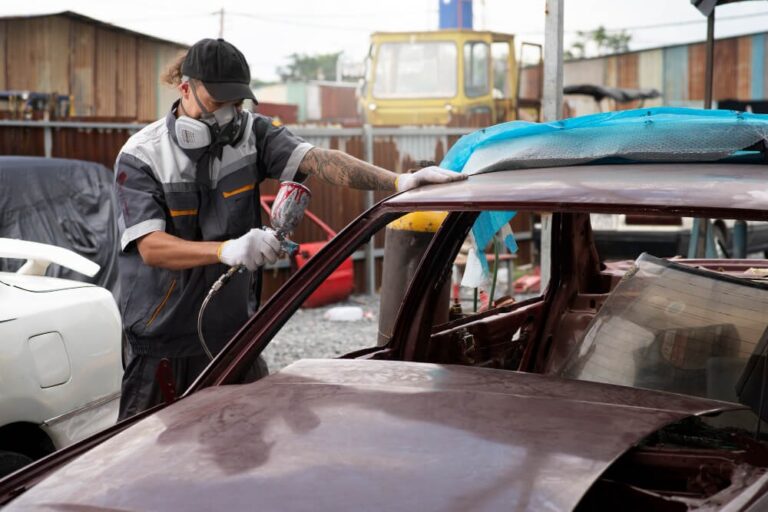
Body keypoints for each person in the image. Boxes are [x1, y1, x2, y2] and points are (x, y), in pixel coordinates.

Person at [114, 38, 465, 419]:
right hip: (161, 346)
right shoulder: (142, 155)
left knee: (245, 448)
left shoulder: (252, 134)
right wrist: (225, 250)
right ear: (186, 88)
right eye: (218, 103)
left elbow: (320, 160)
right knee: (145, 456)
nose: (229, 115)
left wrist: (398, 182)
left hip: (233, 338)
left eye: (237, 103)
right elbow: (151, 247)